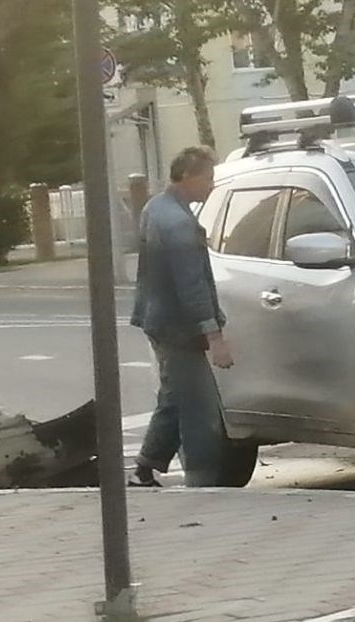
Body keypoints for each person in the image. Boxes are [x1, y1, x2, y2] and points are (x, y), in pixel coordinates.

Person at [128, 146, 234, 487]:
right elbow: (192, 286)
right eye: (208, 178)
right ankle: (204, 482)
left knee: (174, 397)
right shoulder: (178, 224)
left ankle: (146, 467)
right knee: (200, 409)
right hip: (179, 327)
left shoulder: (155, 208)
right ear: (188, 177)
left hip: (157, 319)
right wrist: (214, 336)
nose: (212, 185)